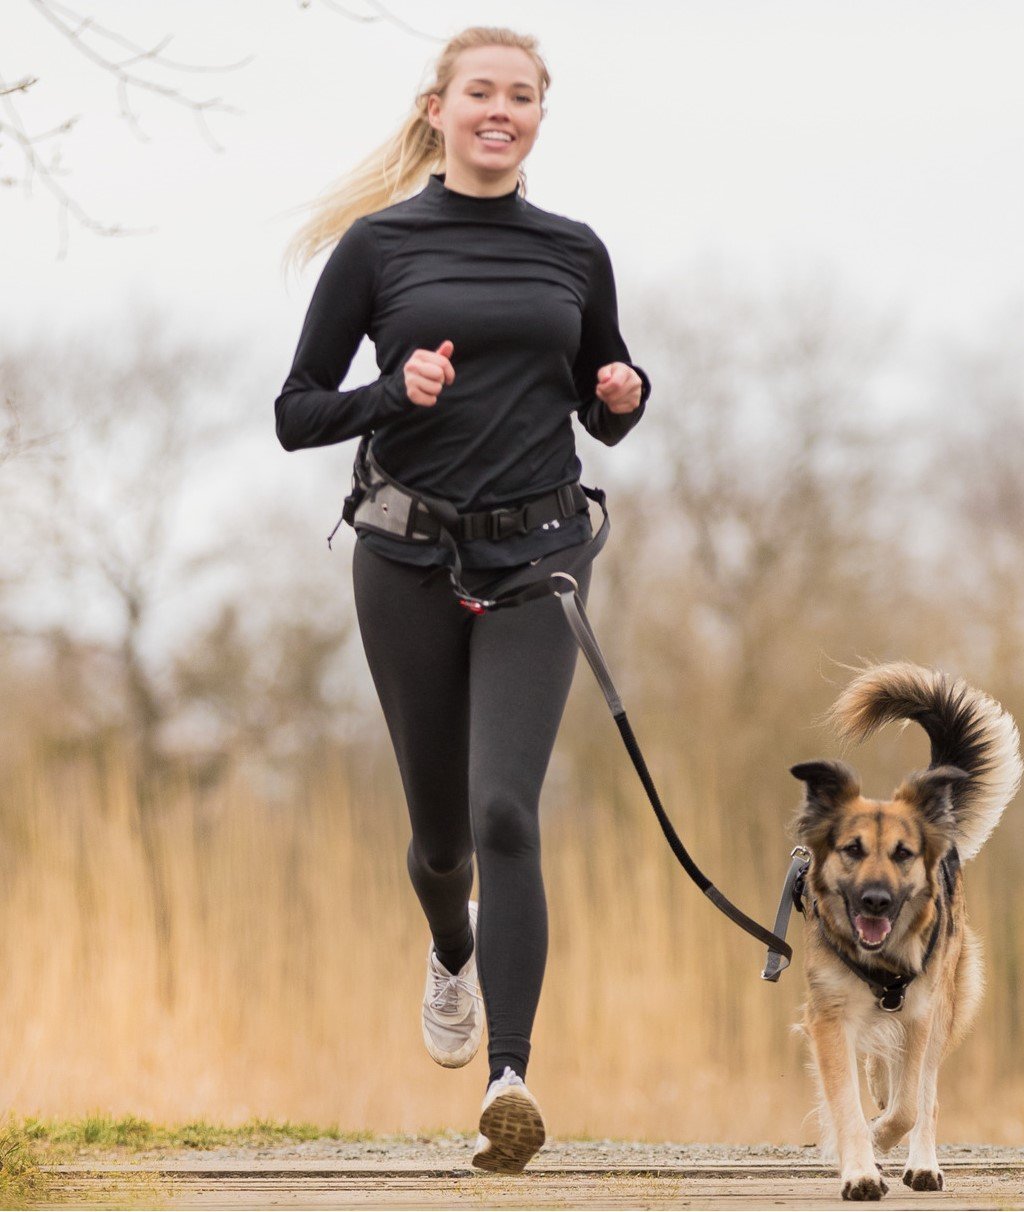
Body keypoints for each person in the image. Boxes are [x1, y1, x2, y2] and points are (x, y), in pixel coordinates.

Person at [274, 27, 649, 1172]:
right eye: (480, 93)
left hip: (538, 554)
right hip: (404, 560)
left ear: (541, 115)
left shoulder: (574, 252)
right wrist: (394, 390)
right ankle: (451, 950)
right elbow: (297, 412)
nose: (502, 110)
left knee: (506, 815)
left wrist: (628, 395)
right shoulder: (378, 247)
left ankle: (510, 1080)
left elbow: (603, 397)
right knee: (443, 839)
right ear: (438, 109)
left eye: (522, 96)